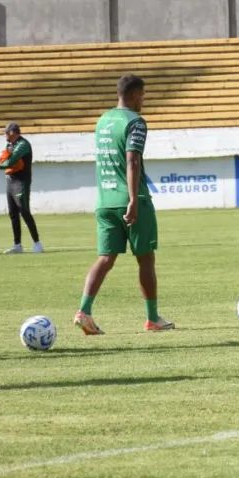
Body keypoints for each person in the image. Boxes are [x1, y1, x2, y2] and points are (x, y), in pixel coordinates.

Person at [74, 74, 174, 334]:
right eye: (142, 95)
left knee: (105, 258)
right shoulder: (136, 122)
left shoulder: (103, 120)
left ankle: (84, 311)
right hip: (131, 200)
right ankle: (153, 319)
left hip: (105, 201)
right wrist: (132, 199)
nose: (144, 100)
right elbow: (132, 161)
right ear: (132, 95)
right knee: (146, 259)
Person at [0, 122, 43, 254]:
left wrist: (1, 165)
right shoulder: (10, 144)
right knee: (13, 213)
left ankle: (37, 243)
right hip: (10, 181)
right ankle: (17, 245)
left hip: (21, 182)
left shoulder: (23, 144)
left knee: (24, 211)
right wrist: (3, 162)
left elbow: (12, 160)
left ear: (13, 132)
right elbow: (5, 157)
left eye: (6, 132)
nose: (5, 134)